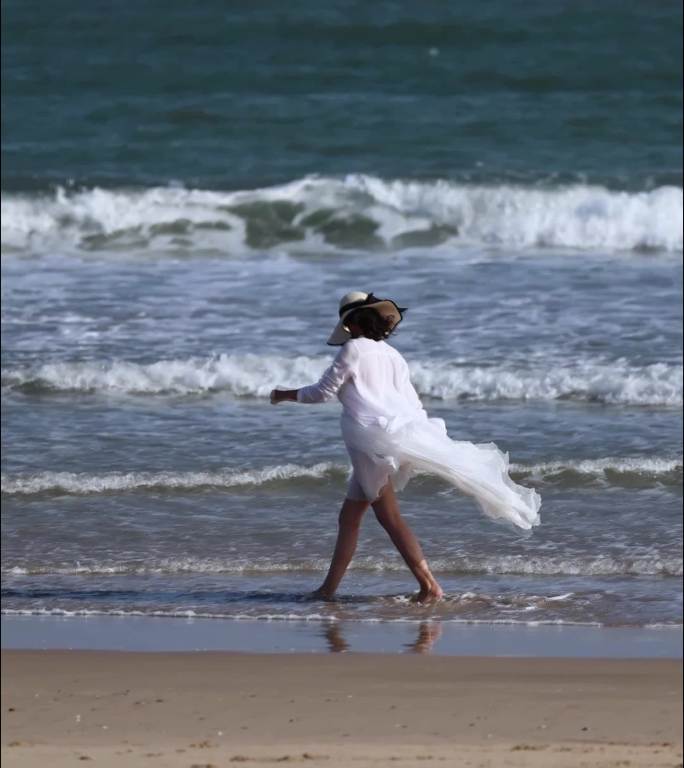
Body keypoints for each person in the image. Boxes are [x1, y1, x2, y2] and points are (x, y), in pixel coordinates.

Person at [270, 291, 541, 602]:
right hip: (386, 440)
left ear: (354, 323)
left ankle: (429, 586)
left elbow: (322, 393)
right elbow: (413, 404)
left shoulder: (354, 349)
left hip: (370, 444)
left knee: (390, 518)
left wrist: (283, 394)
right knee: (349, 517)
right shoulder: (393, 356)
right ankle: (328, 590)